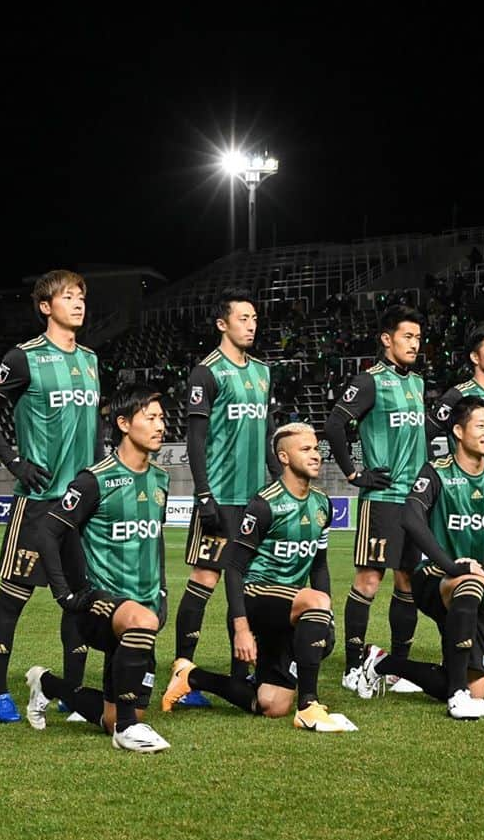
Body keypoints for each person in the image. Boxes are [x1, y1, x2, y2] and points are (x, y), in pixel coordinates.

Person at [0, 269, 102, 724]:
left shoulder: (90, 359)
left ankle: (73, 691)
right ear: (46, 306)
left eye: (81, 295)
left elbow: (96, 433)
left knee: (80, 597)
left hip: (80, 504)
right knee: (13, 597)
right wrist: (13, 461)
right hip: (39, 501)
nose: (78, 303)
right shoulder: (24, 358)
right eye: (68, 296)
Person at [162, 423, 353, 731]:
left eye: (316, 448)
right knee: (316, 601)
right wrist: (241, 628)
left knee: (271, 704)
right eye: (305, 449)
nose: (316, 455)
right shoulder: (264, 504)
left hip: (290, 607)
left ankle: (192, 677)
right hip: (256, 597)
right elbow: (234, 568)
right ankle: (309, 706)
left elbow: (319, 567)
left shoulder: (322, 504)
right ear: (284, 457)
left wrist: (328, 618)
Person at [25, 386, 171, 752]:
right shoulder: (95, 480)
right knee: (128, 721)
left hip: (145, 606)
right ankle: (126, 734)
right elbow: (48, 531)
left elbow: (156, 541)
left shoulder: (160, 480)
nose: (160, 425)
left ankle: (47, 685)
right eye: (150, 417)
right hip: (102, 605)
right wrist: (65, 593)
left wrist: (163, 589)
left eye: (162, 417)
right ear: (123, 423)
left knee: (117, 714)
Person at [361, 397, 484, 718]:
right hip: (435, 578)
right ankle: (457, 695)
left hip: (480, 582)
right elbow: (410, 517)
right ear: (459, 431)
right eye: (481, 426)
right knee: (466, 586)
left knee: (475, 689)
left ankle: (384, 663)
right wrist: (452, 565)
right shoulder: (436, 470)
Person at [169, 289, 280, 707]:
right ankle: (182, 670)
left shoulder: (263, 372)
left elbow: (268, 433)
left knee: (250, 582)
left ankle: (242, 672)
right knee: (205, 578)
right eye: (243, 318)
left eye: (254, 318)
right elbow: (195, 442)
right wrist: (202, 495)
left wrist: (276, 479)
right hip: (219, 495)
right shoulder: (206, 373)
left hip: (253, 499)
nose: (251, 324)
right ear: (222, 324)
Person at [322, 306, 426, 695]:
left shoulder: (416, 384)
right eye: (407, 337)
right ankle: (352, 668)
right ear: (387, 339)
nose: (414, 344)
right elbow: (334, 424)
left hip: (414, 502)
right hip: (381, 498)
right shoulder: (369, 382)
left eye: (418, 337)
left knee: (408, 583)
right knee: (369, 579)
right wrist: (354, 473)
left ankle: (399, 669)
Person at [427, 322, 484, 679]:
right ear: (474, 356)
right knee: (459, 575)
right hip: (461, 499)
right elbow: (426, 433)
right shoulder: (457, 396)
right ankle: (458, 651)